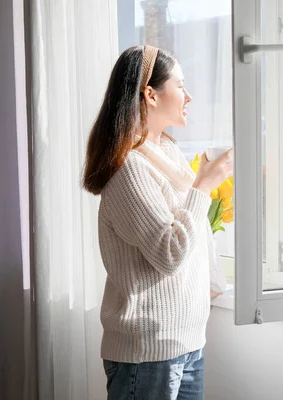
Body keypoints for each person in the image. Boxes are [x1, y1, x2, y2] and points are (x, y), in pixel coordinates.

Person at [82, 45, 232, 400]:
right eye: (180, 85)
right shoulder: (129, 169)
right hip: (147, 352)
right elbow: (168, 252)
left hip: (187, 342)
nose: (189, 95)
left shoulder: (168, 153)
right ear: (150, 94)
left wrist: (210, 282)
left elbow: (189, 232)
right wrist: (204, 186)